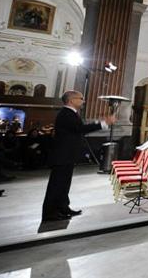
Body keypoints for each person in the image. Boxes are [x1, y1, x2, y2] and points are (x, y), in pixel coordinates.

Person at [41, 90, 115, 221]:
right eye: (81, 98)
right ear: (71, 100)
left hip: (67, 156)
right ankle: (50, 213)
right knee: (57, 185)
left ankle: (63, 208)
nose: (83, 101)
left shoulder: (71, 113)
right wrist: (103, 123)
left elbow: (77, 129)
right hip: (62, 156)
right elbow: (80, 128)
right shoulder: (66, 114)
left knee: (64, 184)